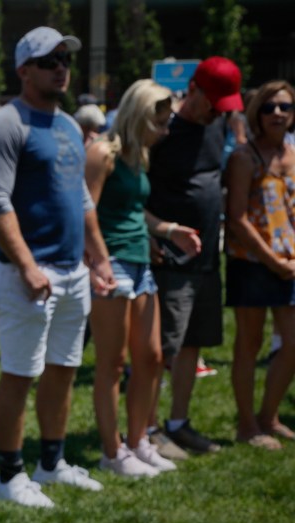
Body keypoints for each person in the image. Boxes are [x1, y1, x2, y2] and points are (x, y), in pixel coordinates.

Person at [0, 27, 115, 508]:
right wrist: (28, 265)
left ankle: (51, 464)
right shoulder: (5, 124)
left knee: (63, 368)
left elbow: (80, 199)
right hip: (25, 275)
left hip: (72, 272)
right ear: (24, 70)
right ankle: (8, 475)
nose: (61, 67)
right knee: (20, 372)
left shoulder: (68, 126)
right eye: (49, 60)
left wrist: (98, 258)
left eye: (65, 59)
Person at [85, 79, 198, 477]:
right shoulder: (103, 153)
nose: (165, 131)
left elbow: (134, 211)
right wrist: (98, 262)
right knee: (112, 364)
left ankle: (138, 442)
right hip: (112, 264)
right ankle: (112, 451)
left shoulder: (138, 156)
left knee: (150, 359)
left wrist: (167, 230)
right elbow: (87, 212)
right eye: (160, 122)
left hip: (140, 264)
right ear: (139, 115)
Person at [147, 56, 244, 455]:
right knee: (161, 348)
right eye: (214, 101)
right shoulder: (162, 130)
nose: (218, 111)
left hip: (207, 256)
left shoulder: (217, 121)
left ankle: (178, 423)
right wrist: (156, 233)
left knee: (192, 344)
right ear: (195, 91)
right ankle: (148, 427)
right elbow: (136, 191)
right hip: (170, 259)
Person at [224, 79, 295, 449]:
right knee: (248, 345)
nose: (278, 114)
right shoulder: (243, 157)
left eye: (284, 107)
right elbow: (237, 217)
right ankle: (247, 424)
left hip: (290, 262)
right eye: (269, 107)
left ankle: (270, 415)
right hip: (251, 262)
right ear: (257, 113)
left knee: (292, 343)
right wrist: (272, 260)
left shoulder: (293, 154)